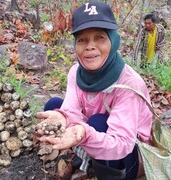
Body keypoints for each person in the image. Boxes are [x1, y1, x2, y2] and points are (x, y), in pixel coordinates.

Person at [35, 1, 153, 179]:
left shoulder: (129, 83)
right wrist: (64, 117)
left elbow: (122, 143)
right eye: (82, 40)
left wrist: (84, 134)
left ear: (113, 41)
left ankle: (100, 171)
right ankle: (85, 162)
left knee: (98, 122)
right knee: (54, 106)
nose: (90, 46)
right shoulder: (76, 72)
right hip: (95, 136)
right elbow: (71, 110)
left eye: (100, 37)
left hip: (129, 155)